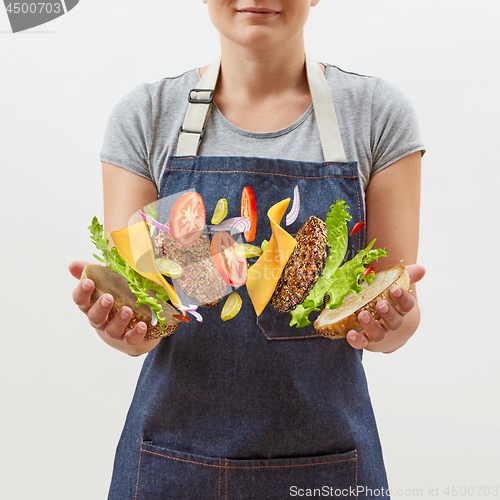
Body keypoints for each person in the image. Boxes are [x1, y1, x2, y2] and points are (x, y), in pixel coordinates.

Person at [69, 1, 425, 498]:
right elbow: (148, 323)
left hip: (329, 470)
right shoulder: (144, 116)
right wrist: (123, 328)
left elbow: (388, 310)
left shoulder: (376, 115)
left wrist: (393, 322)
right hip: (170, 465)